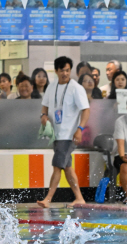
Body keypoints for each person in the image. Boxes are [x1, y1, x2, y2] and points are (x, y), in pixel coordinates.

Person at [37, 56, 90, 209]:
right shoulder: (51, 87)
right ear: (56, 71)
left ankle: (48, 199)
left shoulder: (76, 88)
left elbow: (86, 110)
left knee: (57, 166)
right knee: (67, 167)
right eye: (62, 71)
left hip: (69, 135)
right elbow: (44, 107)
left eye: (67, 70)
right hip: (56, 135)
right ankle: (79, 198)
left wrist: (80, 129)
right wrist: (43, 116)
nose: (65, 73)